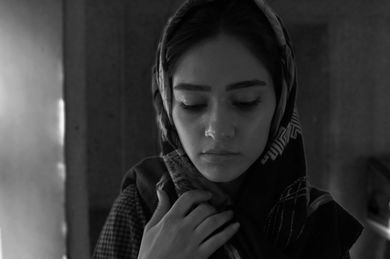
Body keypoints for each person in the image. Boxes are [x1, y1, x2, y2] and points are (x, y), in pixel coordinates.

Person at [93, 0, 363, 258]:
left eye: (245, 102)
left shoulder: (318, 226)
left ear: (281, 104)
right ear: (167, 106)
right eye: (192, 104)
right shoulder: (142, 210)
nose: (218, 130)